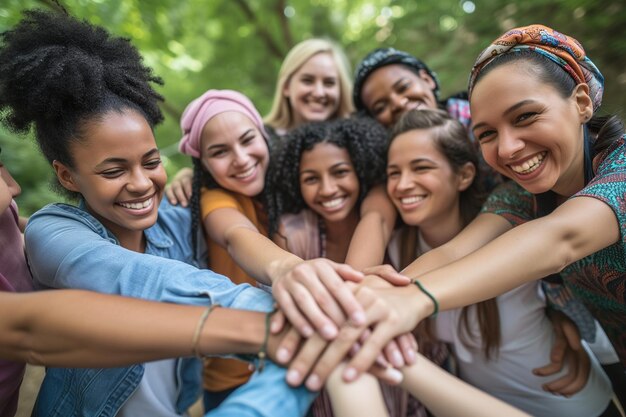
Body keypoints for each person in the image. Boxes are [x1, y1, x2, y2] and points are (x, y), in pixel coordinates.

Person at [0, 9, 322, 417]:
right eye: (114, 171)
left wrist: (297, 274)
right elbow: (141, 279)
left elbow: (238, 233)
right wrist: (270, 315)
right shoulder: (54, 232)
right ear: (67, 175)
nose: (140, 183)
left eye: (151, 162)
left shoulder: (178, 220)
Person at [306, 24, 626, 407]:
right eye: (487, 134)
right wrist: (364, 299)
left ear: (582, 102)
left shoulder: (620, 168)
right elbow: (456, 253)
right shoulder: (522, 195)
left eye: (524, 117)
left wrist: (417, 300)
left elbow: (561, 239)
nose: (507, 148)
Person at [177, 90, 413, 408]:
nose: (241, 158)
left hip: (299, 357)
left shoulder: (287, 190)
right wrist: (286, 268)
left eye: (248, 140)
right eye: (219, 152)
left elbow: (372, 217)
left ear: (264, 136)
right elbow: (236, 234)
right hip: (235, 374)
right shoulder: (215, 198)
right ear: (202, 162)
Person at [385, 108, 612, 416]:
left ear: (464, 175)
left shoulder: (514, 227)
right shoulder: (399, 248)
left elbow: (558, 252)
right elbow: (449, 255)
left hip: (572, 403)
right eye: (393, 173)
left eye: (421, 167)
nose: (402, 184)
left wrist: (561, 315)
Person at [267, 117, 431, 417]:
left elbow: (376, 220)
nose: (328, 189)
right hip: (326, 386)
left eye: (340, 172)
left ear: (360, 170)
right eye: (311, 178)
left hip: (401, 375)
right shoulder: (292, 233)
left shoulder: (391, 222)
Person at [263, 38, 354, 139]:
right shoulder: (263, 141)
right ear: (286, 87)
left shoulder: (357, 141)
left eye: (329, 83)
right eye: (307, 81)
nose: (319, 93)